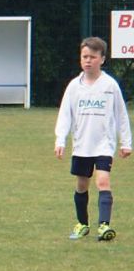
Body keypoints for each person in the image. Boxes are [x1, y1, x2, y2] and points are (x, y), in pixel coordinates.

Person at [55, 37, 131, 241]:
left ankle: (104, 226)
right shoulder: (74, 86)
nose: (88, 60)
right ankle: (83, 224)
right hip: (82, 145)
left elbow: (121, 114)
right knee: (82, 185)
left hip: (104, 145)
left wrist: (126, 142)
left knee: (103, 181)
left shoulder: (110, 85)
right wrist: (60, 140)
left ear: (102, 59)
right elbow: (65, 115)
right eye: (85, 56)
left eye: (93, 57)